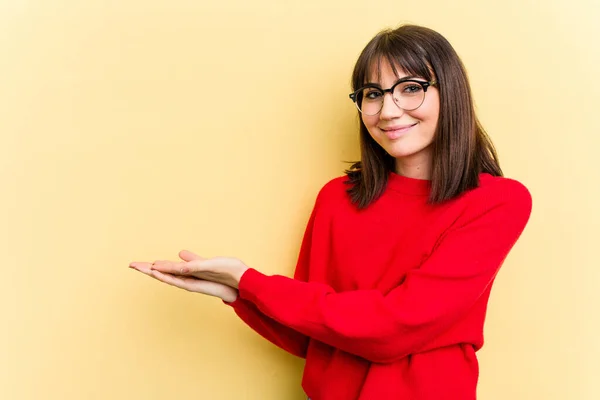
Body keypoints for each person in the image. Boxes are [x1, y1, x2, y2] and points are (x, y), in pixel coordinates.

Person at [129, 24, 532, 400]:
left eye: (410, 88)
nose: (388, 111)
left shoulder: (497, 201)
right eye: (372, 94)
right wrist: (236, 293)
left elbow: (395, 328)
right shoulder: (338, 198)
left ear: (452, 93)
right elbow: (315, 336)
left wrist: (251, 282)